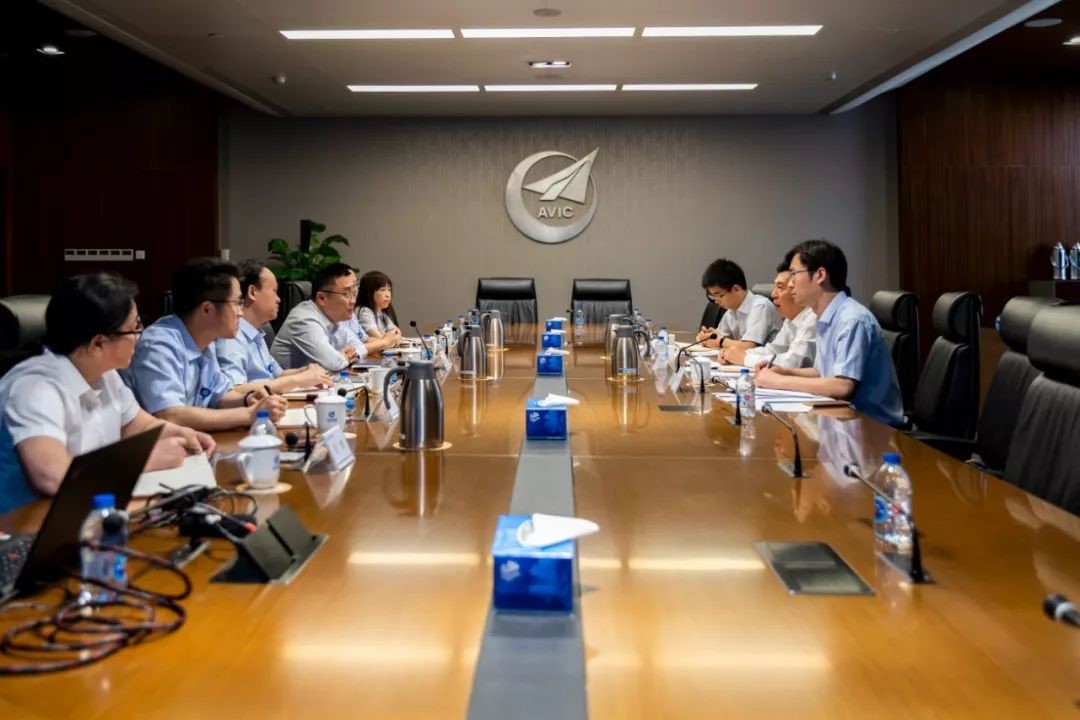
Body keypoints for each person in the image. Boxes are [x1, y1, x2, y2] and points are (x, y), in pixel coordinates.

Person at [0, 273, 215, 512]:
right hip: (25, 521)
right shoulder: (35, 388)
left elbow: (140, 426)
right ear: (99, 344)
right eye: (134, 328)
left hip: (84, 507)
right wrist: (144, 460)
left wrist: (185, 434)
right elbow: (53, 477)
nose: (140, 336)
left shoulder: (104, 373)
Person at [127, 258, 287, 432]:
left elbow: (220, 395)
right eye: (237, 303)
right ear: (207, 309)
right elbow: (170, 415)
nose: (241, 312)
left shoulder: (205, 340)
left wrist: (247, 400)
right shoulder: (159, 344)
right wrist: (249, 414)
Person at [755, 239, 904, 427]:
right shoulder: (825, 316)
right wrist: (784, 370)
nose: (790, 284)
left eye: (794, 274)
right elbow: (821, 372)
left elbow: (842, 386)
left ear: (820, 275)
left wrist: (778, 381)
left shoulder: (851, 319)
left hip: (873, 427)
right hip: (841, 420)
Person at [215, 259, 333, 394]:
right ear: (252, 292)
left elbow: (277, 375)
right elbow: (235, 390)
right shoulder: (231, 337)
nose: (278, 299)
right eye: (275, 291)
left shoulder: (256, 332)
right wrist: (297, 380)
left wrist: (305, 372)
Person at [270, 262, 399, 371]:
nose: (353, 301)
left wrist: (345, 355)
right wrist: (384, 342)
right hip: (287, 391)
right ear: (322, 298)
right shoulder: (304, 320)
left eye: (354, 293)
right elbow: (335, 362)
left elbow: (356, 346)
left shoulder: (334, 318)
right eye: (347, 294)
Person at [721, 255, 816, 369]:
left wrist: (744, 358)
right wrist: (735, 354)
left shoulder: (813, 318)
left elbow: (795, 362)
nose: (773, 294)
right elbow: (773, 350)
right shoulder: (791, 320)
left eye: (780, 287)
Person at [697, 258, 781, 351]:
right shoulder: (731, 311)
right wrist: (707, 336)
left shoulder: (760, 306)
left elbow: (749, 346)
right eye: (714, 296)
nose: (716, 301)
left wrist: (720, 341)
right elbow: (719, 337)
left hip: (769, 359)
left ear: (736, 289)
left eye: (720, 295)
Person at [355, 270, 403, 343]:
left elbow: (397, 332)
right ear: (369, 292)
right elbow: (381, 340)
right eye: (382, 290)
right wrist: (390, 337)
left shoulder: (380, 312)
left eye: (389, 290)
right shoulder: (364, 311)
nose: (388, 295)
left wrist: (391, 336)